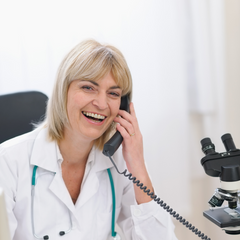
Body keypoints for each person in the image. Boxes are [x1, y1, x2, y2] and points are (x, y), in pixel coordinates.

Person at [0, 39, 177, 240]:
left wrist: (138, 167)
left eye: (113, 93)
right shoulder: (8, 161)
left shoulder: (120, 161)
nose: (102, 104)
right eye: (88, 88)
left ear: (123, 105)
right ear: (63, 91)